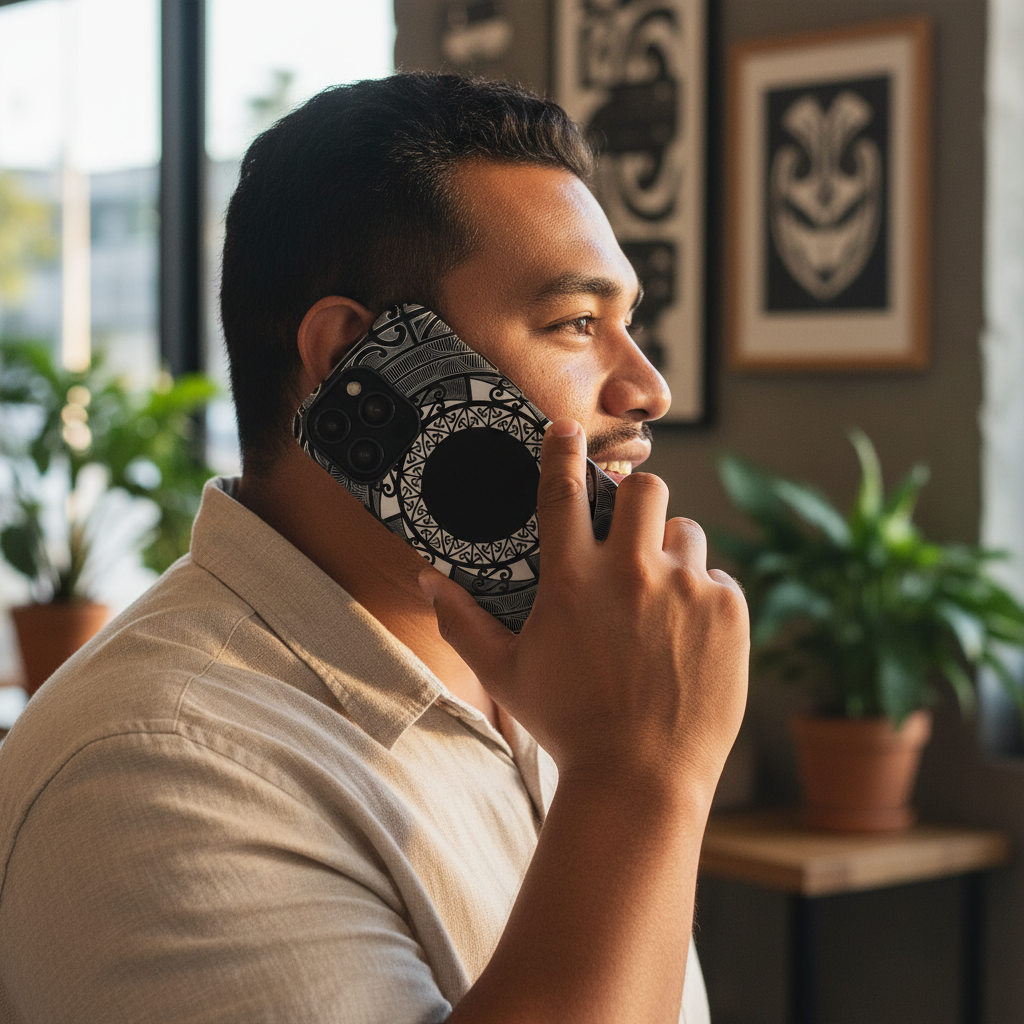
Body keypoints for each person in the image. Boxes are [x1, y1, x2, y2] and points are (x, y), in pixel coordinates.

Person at [0, 73, 748, 1023]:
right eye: (577, 325)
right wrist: (640, 780)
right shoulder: (150, 770)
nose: (648, 390)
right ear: (358, 359)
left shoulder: (571, 676)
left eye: (628, 323)